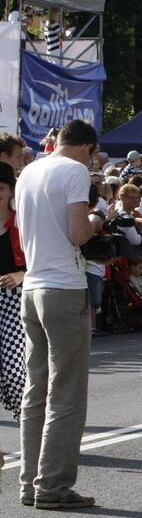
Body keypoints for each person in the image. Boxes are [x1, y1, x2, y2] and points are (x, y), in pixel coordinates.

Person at [15, 119, 97, 510]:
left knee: (37, 391)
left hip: (31, 286)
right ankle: (53, 486)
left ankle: (30, 483)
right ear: (86, 148)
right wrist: (98, 221)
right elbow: (78, 233)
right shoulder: (75, 170)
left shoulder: (29, 170)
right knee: (66, 392)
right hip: (64, 286)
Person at [0, 162, 26, 420]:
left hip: (14, 301)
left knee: (15, 370)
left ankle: (28, 423)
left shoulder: (21, 223)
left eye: (0, 188)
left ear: (10, 191)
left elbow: (42, 261)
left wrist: (22, 275)